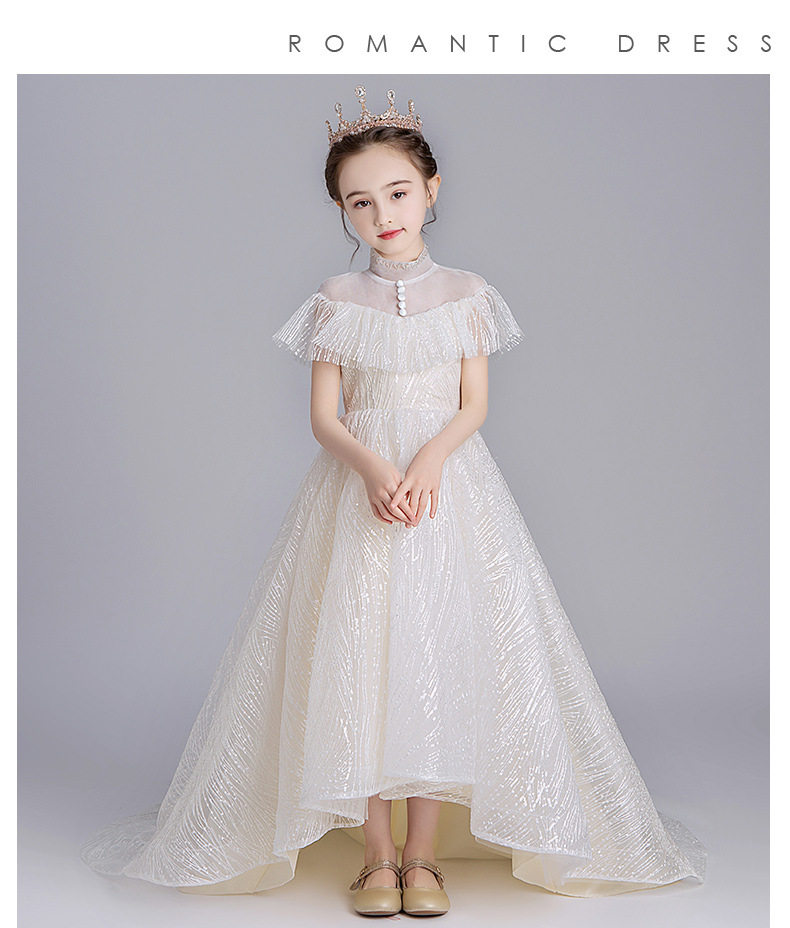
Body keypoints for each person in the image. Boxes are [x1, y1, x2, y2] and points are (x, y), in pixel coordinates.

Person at [80, 85, 707, 918]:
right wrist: (375, 470)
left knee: (438, 656)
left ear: (432, 190)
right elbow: (323, 418)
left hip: (449, 491)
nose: (383, 215)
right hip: (360, 493)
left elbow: (474, 406)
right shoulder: (337, 301)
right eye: (360, 202)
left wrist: (430, 462)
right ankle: (377, 855)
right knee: (359, 660)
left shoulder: (469, 293)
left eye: (399, 193)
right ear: (342, 210)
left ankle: (424, 855)